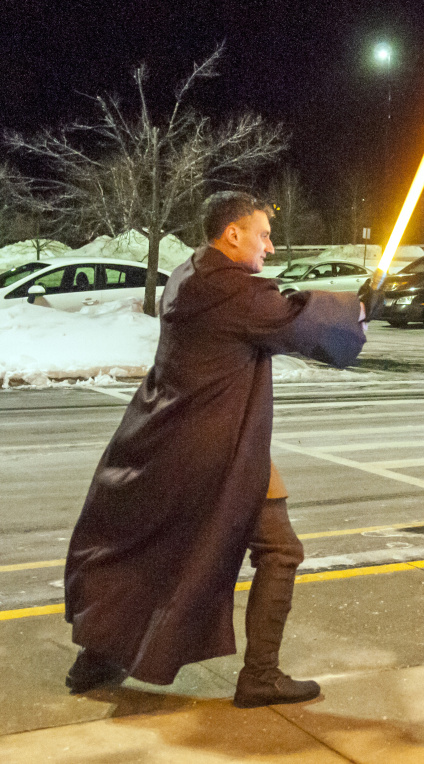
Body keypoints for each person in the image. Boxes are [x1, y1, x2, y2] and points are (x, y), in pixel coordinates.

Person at [64, 191, 382, 708]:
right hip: (218, 448)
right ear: (231, 234)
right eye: (262, 234)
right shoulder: (233, 293)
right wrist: (362, 308)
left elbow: (279, 308)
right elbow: (300, 324)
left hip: (165, 440)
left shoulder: (189, 275)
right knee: (280, 550)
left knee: (142, 548)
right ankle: (260, 675)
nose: (270, 246)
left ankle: (98, 655)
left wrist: (348, 308)